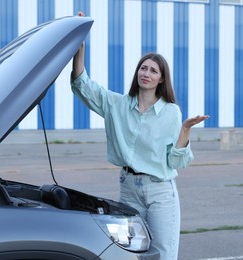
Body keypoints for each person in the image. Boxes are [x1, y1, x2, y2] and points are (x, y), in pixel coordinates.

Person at [71, 30, 209, 259]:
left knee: (162, 253)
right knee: (131, 253)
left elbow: (175, 161)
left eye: (153, 70)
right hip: (128, 189)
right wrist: (79, 48)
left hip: (159, 191)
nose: (146, 73)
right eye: (143, 68)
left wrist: (184, 130)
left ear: (161, 79)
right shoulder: (117, 105)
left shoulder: (170, 112)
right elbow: (82, 84)